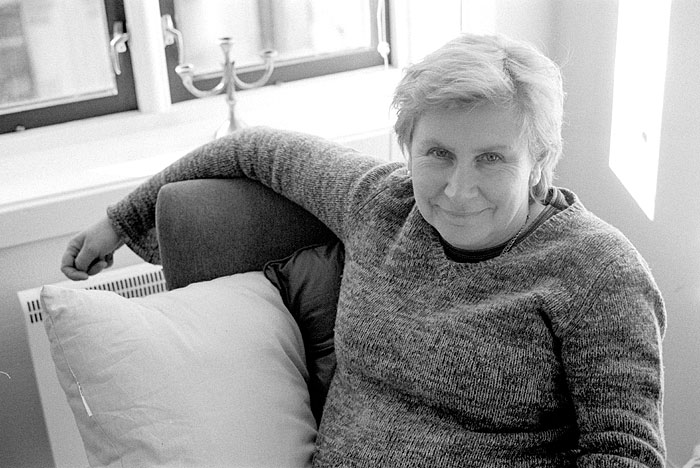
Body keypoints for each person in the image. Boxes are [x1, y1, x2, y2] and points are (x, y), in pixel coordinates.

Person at [61, 33, 666, 467]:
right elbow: (253, 148)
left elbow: (625, 452)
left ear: (539, 161)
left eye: (491, 158)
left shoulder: (597, 271)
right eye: (437, 154)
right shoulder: (380, 202)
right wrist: (120, 221)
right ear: (407, 146)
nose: (458, 190)